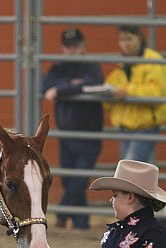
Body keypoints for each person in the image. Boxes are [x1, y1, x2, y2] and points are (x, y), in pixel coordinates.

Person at [40, 27, 104, 230]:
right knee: (71, 181)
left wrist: (61, 89)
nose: (72, 50)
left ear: (84, 47)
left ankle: (61, 215)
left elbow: (93, 83)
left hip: (88, 135)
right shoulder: (60, 66)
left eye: (76, 46)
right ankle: (81, 223)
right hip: (67, 135)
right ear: (62, 49)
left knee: (78, 180)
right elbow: (44, 86)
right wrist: (74, 85)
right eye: (68, 47)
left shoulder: (91, 66)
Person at [105, 26, 166, 163]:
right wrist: (108, 93)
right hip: (126, 126)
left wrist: (127, 92)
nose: (125, 44)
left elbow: (156, 93)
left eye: (129, 39)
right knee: (133, 172)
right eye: (122, 40)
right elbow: (111, 86)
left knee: (129, 170)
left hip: (145, 127)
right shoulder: (123, 64)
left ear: (140, 38)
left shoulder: (153, 60)